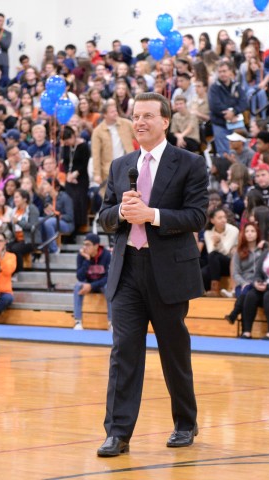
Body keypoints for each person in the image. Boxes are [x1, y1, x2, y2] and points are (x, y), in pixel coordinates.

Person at [96, 93, 208, 456]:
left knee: (173, 352)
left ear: (165, 121)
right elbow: (105, 217)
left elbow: (196, 217)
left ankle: (184, 422)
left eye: (147, 116)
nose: (140, 121)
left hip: (169, 273)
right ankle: (117, 432)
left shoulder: (190, 163)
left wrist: (152, 215)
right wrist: (122, 215)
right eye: (135, 115)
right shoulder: (120, 165)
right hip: (127, 269)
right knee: (123, 351)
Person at [90, 102, 135, 194]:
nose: (116, 113)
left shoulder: (127, 124)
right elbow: (96, 154)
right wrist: (97, 174)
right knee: (110, 199)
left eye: (115, 111)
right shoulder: (97, 131)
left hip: (128, 167)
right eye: (112, 112)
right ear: (105, 115)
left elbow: (140, 138)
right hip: (108, 171)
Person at [72, 233, 111, 330]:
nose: (85, 247)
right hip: (88, 284)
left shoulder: (106, 255)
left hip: (102, 284)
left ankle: (112, 322)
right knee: (77, 286)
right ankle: (78, 321)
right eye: (84, 244)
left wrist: (91, 286)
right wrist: (87, 260)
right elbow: (80, 277)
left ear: (96, 246)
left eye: (88, 245)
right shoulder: (82, 255)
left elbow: (109, 277)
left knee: (110, 287)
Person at [209, 60, 248, 157]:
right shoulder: (214, 87)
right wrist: (228, 114)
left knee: (244, 147)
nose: (222, 74)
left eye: (224, 71)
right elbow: (214, 105)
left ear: (230, 72)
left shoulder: (237, 86)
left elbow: (244, 102)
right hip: (220, 122)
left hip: (236, 121)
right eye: (220, 71)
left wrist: (234, 112)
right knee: (224, 153)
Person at [202, 208, 239, 297]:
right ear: (212, 220)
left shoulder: (233, 230)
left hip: (230, 264)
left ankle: (215, 289)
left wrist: (218, 243)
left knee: (214, 256)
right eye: (220, 218)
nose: (223, 220)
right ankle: (204, 293)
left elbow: (226, 251)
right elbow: (210, 252)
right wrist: (215, 244)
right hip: (215, 264)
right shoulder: (208, 233)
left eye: (224, 217)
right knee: (203, 272)